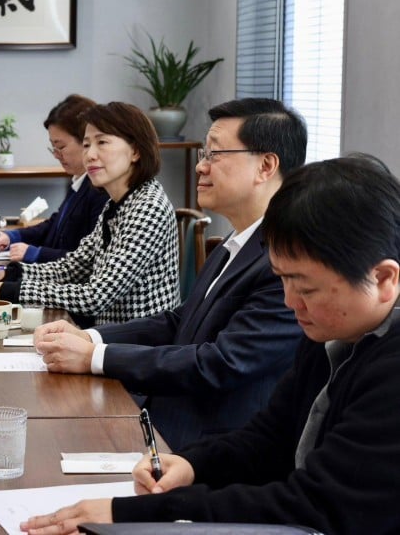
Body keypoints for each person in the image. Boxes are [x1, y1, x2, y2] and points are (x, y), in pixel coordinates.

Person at [21, 155, 400, 535]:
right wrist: (191, 465)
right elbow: (269, 438)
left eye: (305, 287)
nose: (289, 301)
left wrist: (142, 513)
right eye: (283, 279)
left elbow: (315, 505)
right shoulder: (332, 332)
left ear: (383, 278)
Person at [31, 98, 307, 449]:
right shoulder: (236, 242)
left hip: (205, 448)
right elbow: (180, 322)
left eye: (214, 155)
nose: (200, 167)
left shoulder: (285, 260)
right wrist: (92, 338)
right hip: (162, 419)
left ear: (266, 165)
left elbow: (220, 363)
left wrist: (95, 358)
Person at [0, 102, 179, 325]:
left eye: (102, 142)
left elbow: (95, 296)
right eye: (86, 145)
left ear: (135, 150)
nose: (90, 155)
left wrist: (7, 290)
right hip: (108, 339)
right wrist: (6, 274)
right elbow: (71, 268)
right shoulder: (117, 205)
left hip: (138, 347)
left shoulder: (148, 207)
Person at [0, 94, 108, 263]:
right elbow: (54, 226)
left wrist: (35, 253)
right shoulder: (80, 182)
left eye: (61, 147)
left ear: (87, 142)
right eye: (53, 148)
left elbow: (88, 262)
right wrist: (12, 236)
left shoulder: (101, 190)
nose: (56, 155)